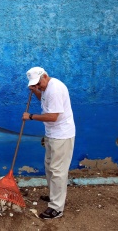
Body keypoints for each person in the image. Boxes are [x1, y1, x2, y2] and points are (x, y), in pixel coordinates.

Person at [22, 67, 75, 219]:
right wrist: (36, 91)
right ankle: (54, 196)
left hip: (62, 135)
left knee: (58, 171)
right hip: (51, 134)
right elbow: (45, 100)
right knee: (50, 167)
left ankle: (57, 208)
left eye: (39, 84)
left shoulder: (55, 89)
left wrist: (30, 116)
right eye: (35, 85)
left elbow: (52, 117)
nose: (39, 87)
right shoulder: (45, 88)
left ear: (45, 76)